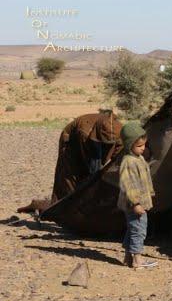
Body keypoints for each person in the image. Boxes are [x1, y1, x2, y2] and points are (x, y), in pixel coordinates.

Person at [51, 111, 123, 203]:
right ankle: (66, 204)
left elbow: (118, 152)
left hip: (96, 141)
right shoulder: (84, 132)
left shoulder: (118, 130)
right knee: (70, 175)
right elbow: (86, 161)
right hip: (71, 143)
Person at [118, 122, 158, 270]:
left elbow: (145, 179)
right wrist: (136, 203)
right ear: (129, 145)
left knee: (132, 228)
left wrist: (149, 194)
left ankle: (128, 257)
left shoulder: (138, 159)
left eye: (144, 145)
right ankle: (137, 260)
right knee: (139, 230)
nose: (143, 148)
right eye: (139, 146)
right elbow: (128, 185)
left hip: (139, 202)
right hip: (133, 204)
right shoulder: (128, 161)